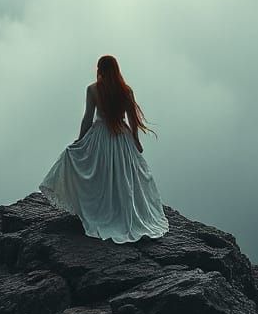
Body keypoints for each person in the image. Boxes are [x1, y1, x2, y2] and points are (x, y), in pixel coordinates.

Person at [38, 55, 169, 243]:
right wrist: (135, 140)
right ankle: (119, 209)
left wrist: (79, 140)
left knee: (100, 173)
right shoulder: (126, 91)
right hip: (121, 138)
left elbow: (87, 118)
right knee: (122, 176)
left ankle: (100, 209)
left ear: (99, 69)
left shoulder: (93, 89)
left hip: (99, 136)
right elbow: (132, 120)